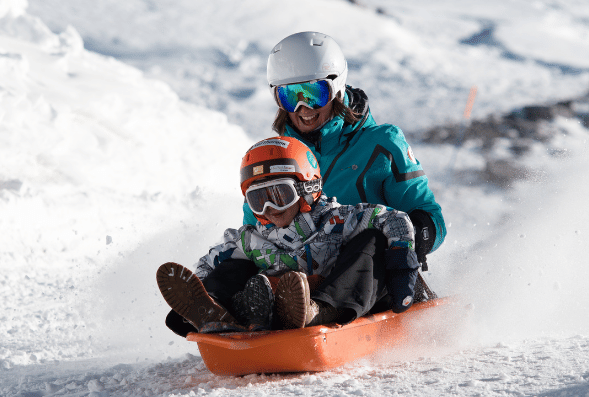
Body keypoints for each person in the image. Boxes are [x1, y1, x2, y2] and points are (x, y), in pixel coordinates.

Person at [157, 136, 420, 335]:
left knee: (371, 240)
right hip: (288, 311)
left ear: (308, 188)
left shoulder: (338, 220)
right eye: (258, 199)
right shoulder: (253, 239)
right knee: (234, 264)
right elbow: (208, 263)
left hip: (356, 301)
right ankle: (215, 312)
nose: (269, 209)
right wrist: (201, 291)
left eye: (280, 195)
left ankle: (322, 310)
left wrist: (402, 263)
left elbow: (396, 219)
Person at [248, 31, 446, 270]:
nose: (303, 107)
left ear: (336, 89)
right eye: (290, 96)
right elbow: (255, 229)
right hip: (296, 279)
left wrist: (408, 239)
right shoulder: (275, 159)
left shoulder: (381, 145)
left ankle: (322, 305)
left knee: (365, 242)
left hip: (371, 274)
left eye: (314, 93)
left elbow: (429, 216)